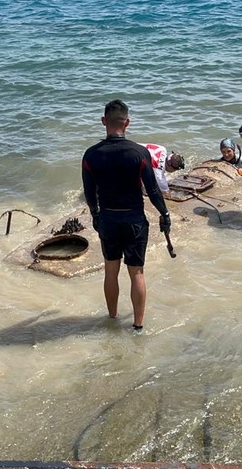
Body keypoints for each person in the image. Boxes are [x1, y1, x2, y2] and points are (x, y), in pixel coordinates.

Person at [82, 100, 171, 331]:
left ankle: (112, 318)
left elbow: (89, 194)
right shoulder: (139, 153)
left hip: (108, 219)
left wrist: (95, 215)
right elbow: (153, 191)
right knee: (137, 273)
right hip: (134, 220)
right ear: (127, 123)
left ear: (104, 121)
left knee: (111, 271)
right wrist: (165, 213)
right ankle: (138, 326)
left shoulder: (90, 155)